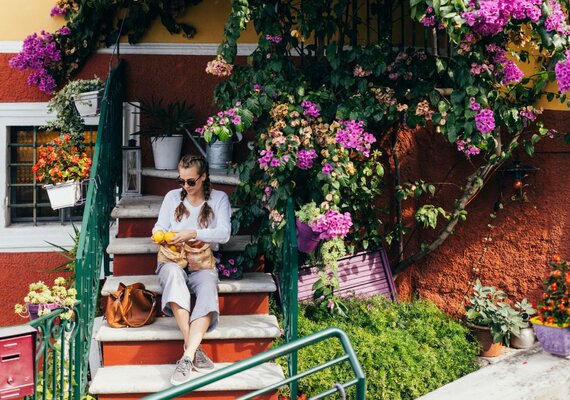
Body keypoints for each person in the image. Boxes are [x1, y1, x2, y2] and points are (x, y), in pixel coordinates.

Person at [151, 154, 231, 386]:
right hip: (173, 258)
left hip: (202, 260)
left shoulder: (218, 199)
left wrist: (193, 233)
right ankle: (194, 350)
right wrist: (158, 234)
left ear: (203, 177)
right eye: (181, 181)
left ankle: (186, 356)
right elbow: (160, 225)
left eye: (191, 182)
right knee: (174, 277)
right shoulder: (172, 197)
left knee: (207, 286)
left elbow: (224, 233)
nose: (185, 187)